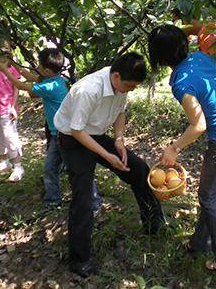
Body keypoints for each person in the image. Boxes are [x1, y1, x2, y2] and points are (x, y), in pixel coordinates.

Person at [148, 25, 216, 274]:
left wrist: (174, 148)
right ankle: (200, 243)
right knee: (209, 194)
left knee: (209, 198)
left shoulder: (180, 81)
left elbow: (199, 124)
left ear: (159, 56)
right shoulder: (201, 57)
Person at [54, 52, 167, 277]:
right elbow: (77, 131)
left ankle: (155, 226)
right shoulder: (87, 90)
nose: (131, 90)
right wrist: (106, 155)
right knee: (83, 197)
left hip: (97, 134)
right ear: (116, 76)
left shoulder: (119, 84)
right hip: (73, 140)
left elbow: (120, 113)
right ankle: (79, 261)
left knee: (139, 169)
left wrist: (119, 140)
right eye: (130, 86)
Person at [0, 48, 103, 214]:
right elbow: (29, 76)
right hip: (58, 134)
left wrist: (3, 70)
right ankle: (53, 200)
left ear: (46, 70)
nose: (36, 66)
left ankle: (94, 203)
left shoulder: (50, 86)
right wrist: (13, 63)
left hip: (66, 136)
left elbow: (20, 84)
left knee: (75, 169)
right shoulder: (54, 79)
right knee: (52, 169)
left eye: (38, 64)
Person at [171, 9, 216, 213]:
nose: (178, 29)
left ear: (186, 19)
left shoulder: (206, 34)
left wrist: (174, 148)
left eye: (176, 22)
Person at [0, 40, 24, 182]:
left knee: (10, 137)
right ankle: (4, 163)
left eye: (7, 48)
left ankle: (18, 166)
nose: (4, 51)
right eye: (1, 48)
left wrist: (13, 107)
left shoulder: (13, 69)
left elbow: (16, 88)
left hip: (7, 109)